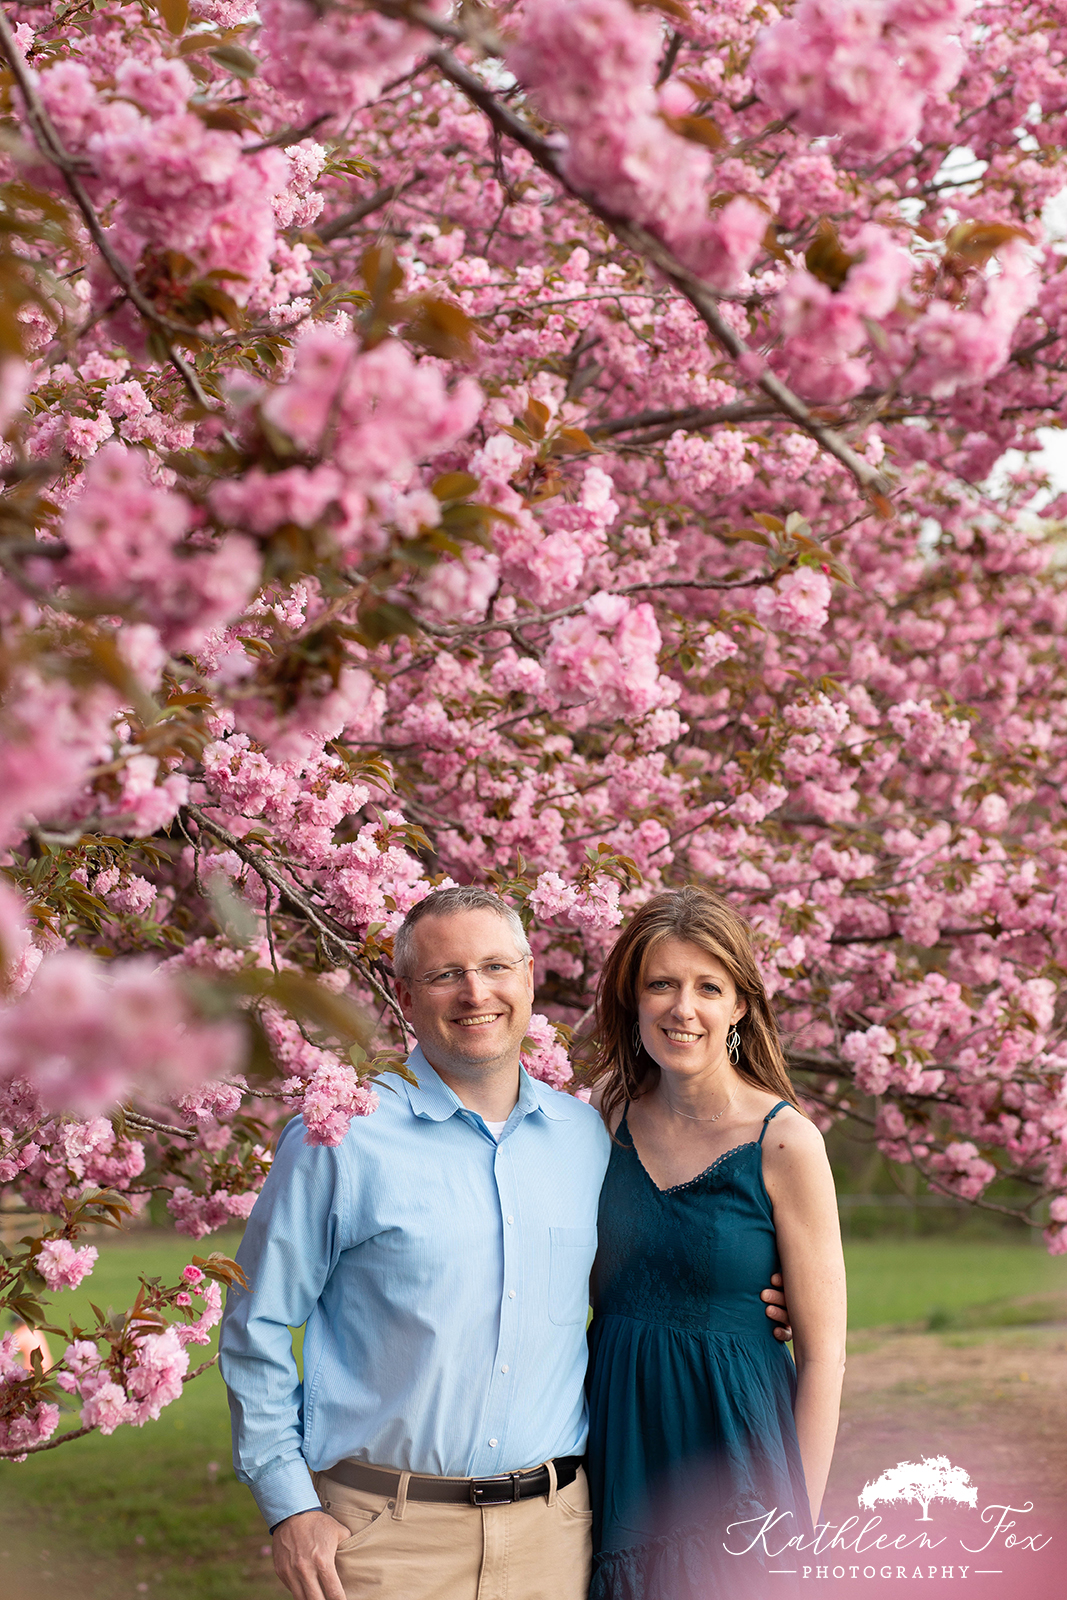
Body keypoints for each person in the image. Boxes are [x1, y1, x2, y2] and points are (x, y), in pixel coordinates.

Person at [219, 884, 793, 1600]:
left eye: (495, 967)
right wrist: (290, 1505)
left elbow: (642, 1268)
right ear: (403, 993)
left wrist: (743, 1297)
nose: (474, 992)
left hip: (552, 1540)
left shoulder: (585, 1138)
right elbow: (257, 1324)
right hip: (383, 1543)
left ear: (527, 977)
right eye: (443, 974)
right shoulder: (340, 1138)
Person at [583, 887, 847, 1600]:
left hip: (736, 1458)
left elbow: (823, 1354)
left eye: (707, 987)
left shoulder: (784, 1141)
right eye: (660, 985)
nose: (681, 1007)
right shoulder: (599, 1121)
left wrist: (801, 1524)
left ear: (738, 1005)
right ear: (632, 1001)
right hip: (618, 1444)